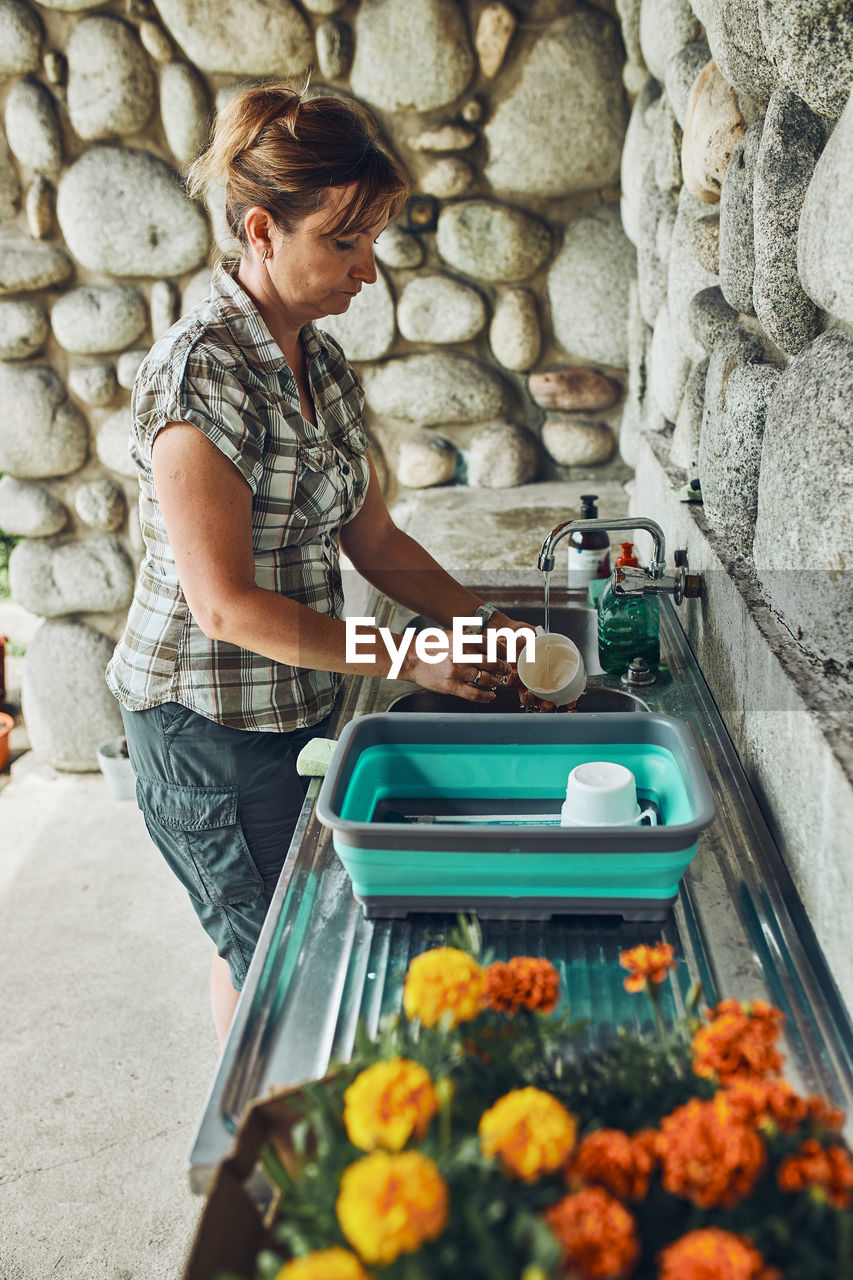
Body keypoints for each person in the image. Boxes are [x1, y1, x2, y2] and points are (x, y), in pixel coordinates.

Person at [106, 84, 528, 1045]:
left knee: (264, 952)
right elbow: (224, 608)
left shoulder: (316, 361)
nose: (366, 271)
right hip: (205, 733)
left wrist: (482, 624)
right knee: (289, 972)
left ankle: (254, 1141)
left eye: (371, 241)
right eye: (344, 242)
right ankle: (268, 1168)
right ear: (262, 229)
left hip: (292, 708)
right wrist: (403, 656)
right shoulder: (197, 374)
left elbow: (373, 540)